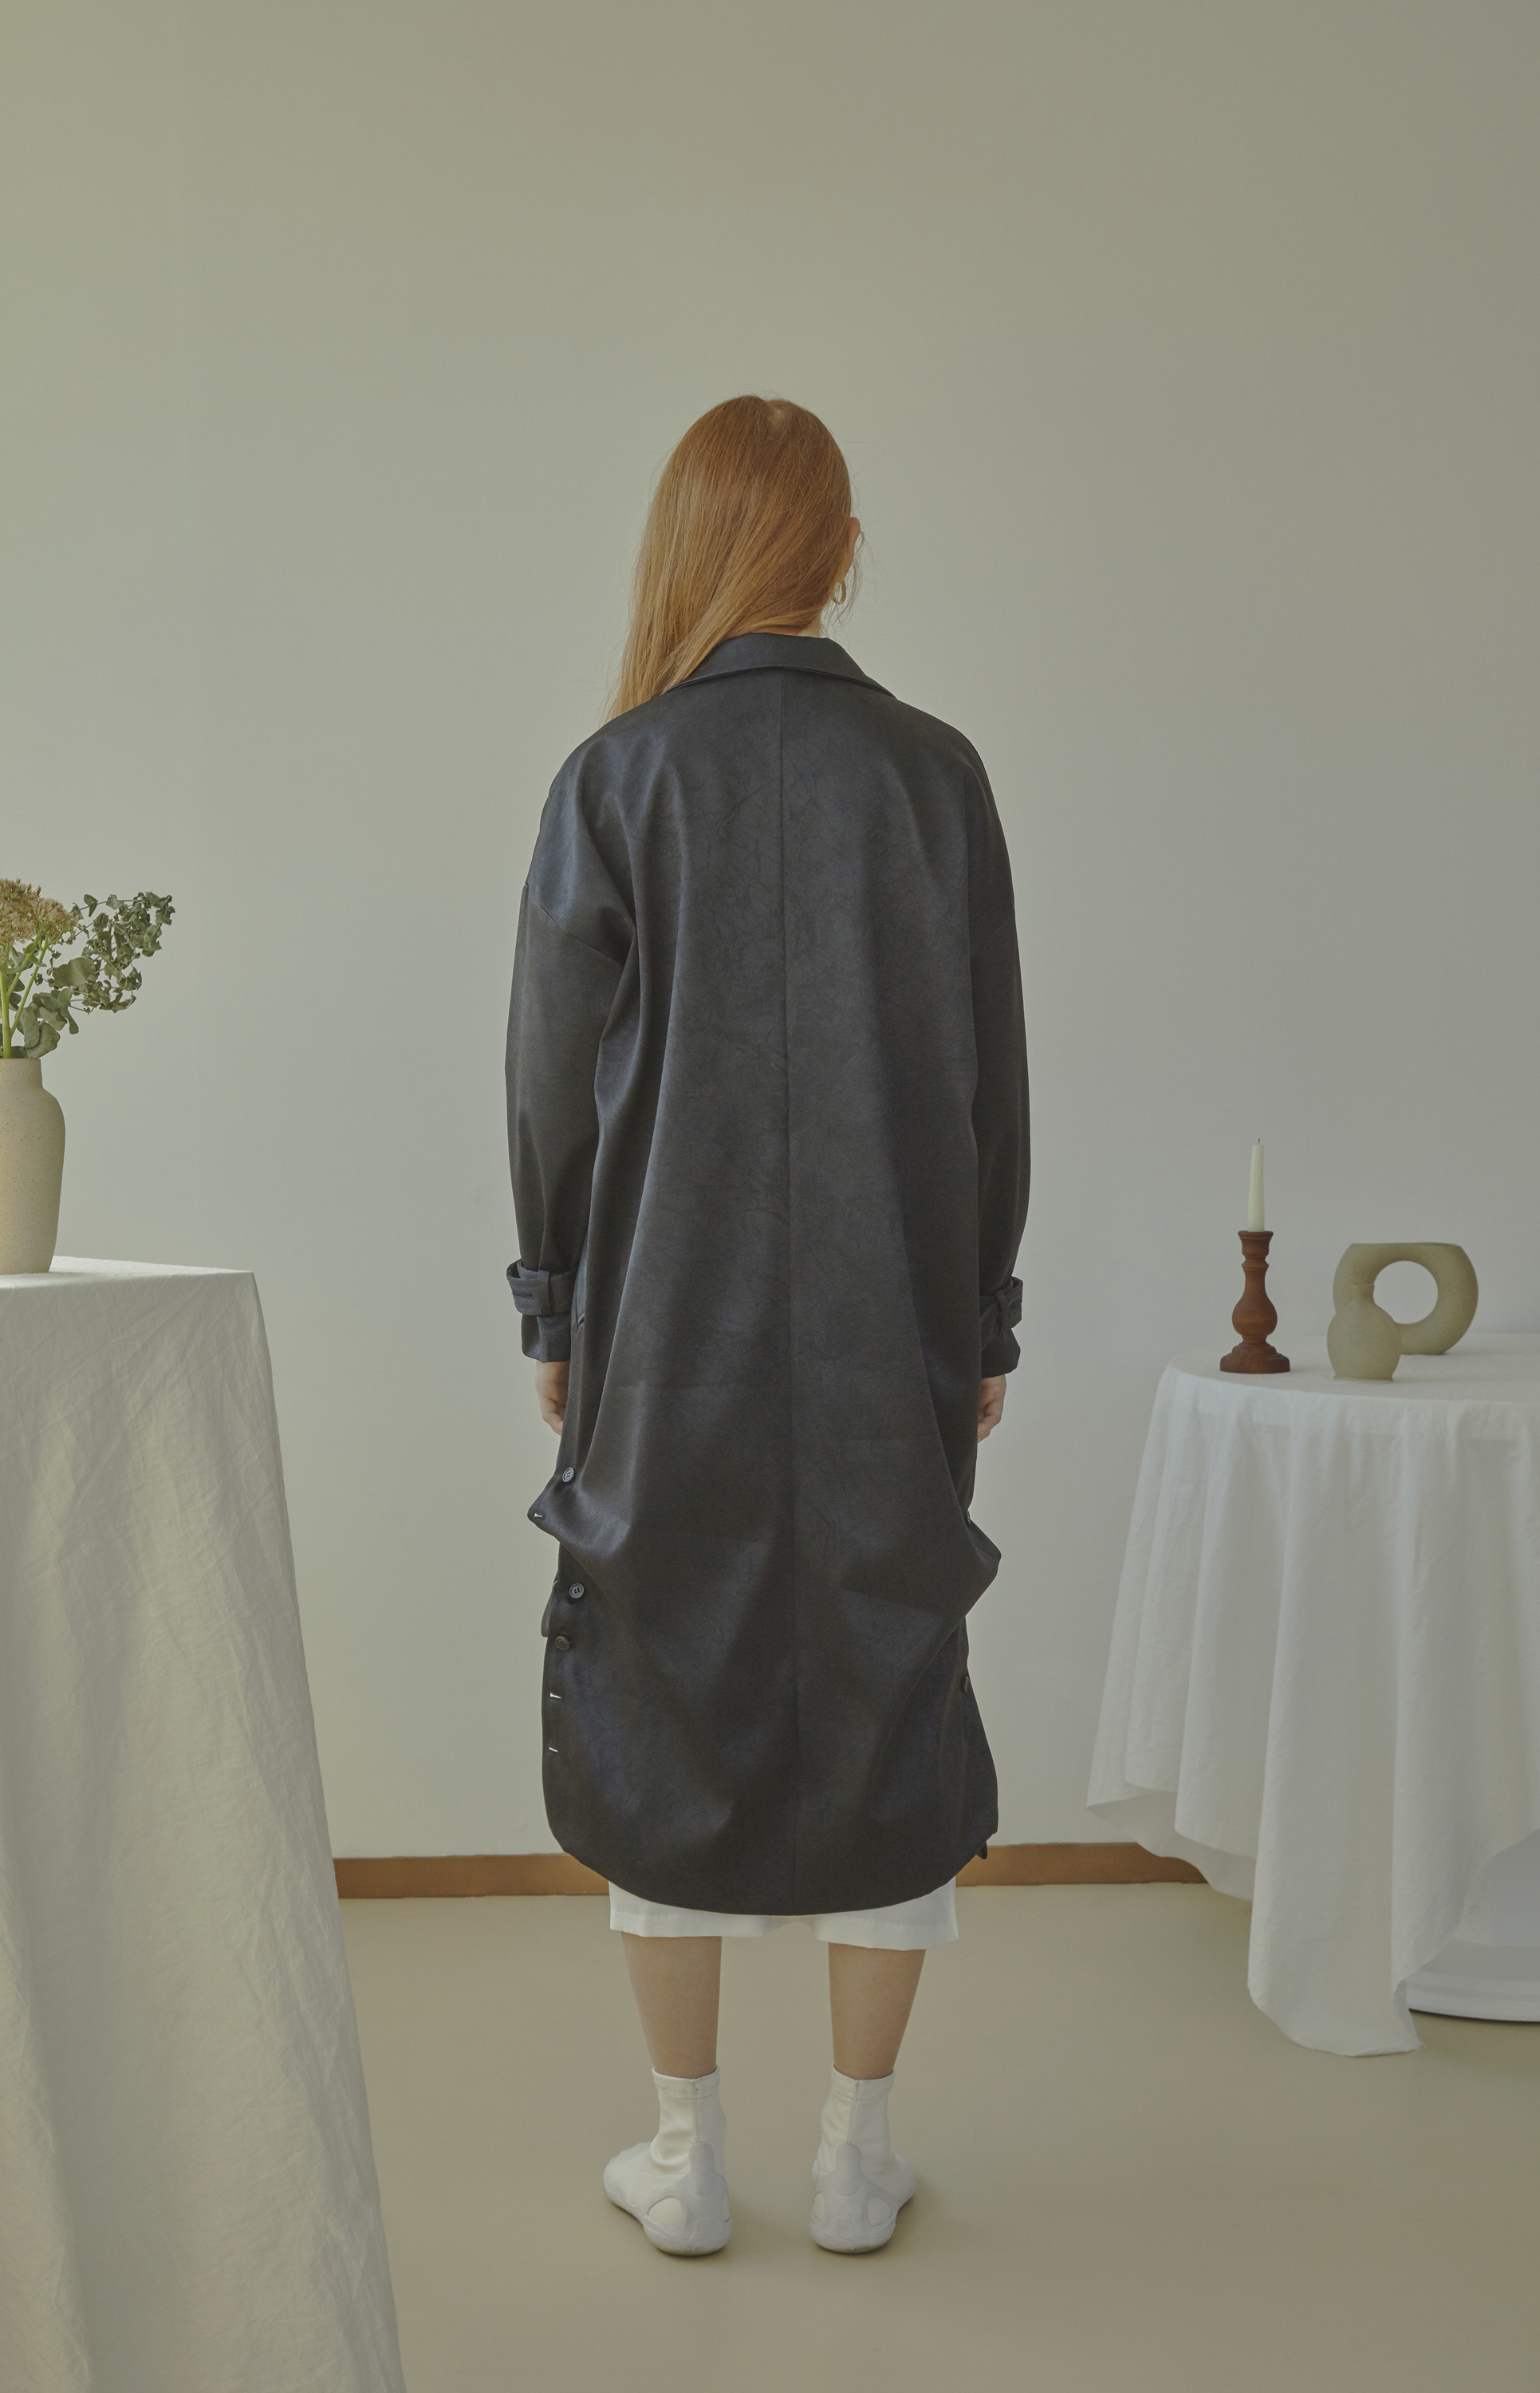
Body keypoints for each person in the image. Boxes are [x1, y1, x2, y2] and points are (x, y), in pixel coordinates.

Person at [506, 395, 1028, 2257]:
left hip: (666, 1329)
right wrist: (982, 1321)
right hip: (891, 1327)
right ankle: (854, 2158)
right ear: (840, 547)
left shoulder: (617, 775)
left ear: (687, 544)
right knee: (891, 1685)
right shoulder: (935, 777)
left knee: (664, 1686)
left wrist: (554, 1305)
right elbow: (988, 1088)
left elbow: (552, 1086)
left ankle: (685, 2157)